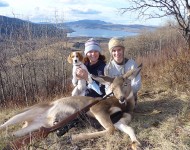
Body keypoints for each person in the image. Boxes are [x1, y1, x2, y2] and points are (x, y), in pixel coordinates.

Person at [56, 38, 106, 137]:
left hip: (94, 99)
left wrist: (87, 78)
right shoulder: (83, 63)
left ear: (99, 53)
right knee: (69, 104)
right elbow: (75, 81)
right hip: (82, 95)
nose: (93, 54)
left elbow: (101, 91)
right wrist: (77, 79)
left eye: (96, 51)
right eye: (90, 51)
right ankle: (60, 122)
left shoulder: (102, 68)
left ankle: (71, 124)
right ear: (86, 53)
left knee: (84, 115)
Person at [104, 37, 141, 104]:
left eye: (119, 50)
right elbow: (107, 88)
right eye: (114, 51)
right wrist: (117, 94)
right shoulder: (108, 68)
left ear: (123, 50)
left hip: (130, 97)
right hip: (115, 98)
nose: (117, 53)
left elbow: (137, 84)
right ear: (111, 53)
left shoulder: (132, 64)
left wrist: (125, 93)